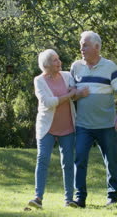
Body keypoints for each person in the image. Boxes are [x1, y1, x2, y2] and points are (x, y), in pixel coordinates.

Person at [71, 31, 117, 208]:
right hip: (83, 125)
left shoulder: (109, 66)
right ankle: (80, 198)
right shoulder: (76, 67)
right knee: (79, 159)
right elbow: (70, 94)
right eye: (81, 44)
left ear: (96, 47)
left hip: (106, 125)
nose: (82, 48)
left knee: (111, 160)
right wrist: (78, 94)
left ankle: (113, 196)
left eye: (85, 45)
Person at [28, 49, 79, 209]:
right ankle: (38, 198)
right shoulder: (39, 80)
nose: (60, 62)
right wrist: (69, 95)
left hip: (68, 126)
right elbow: (48, 102)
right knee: (42, 160)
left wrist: (73, 94)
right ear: (47, 65)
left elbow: (75, 93)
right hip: (46, 127)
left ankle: (69, 199)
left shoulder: (67, 76)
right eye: (56, 60)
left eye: (58, 59)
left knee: (68, 162)